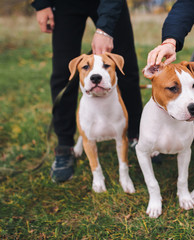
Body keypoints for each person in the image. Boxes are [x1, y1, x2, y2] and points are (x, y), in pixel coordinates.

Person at [32, 0, 143, 183]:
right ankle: (65, 145)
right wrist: (41, 4)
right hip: (65, 4)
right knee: (63, 73)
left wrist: (105, 28)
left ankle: (135, 134)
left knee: (126, 67)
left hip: (109, 3)